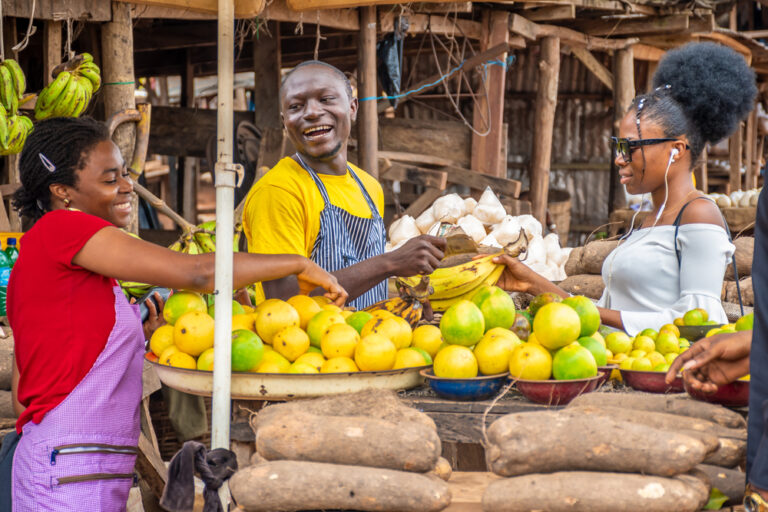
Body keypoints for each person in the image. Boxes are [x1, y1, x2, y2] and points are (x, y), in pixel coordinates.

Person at [3, 116, 346, 511]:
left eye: (125, 175)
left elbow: (26, 398)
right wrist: (297, 264)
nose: (128, 187)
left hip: (75, 470)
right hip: (66, 476)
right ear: (62, 191)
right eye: (110, 179)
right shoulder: (61, 228)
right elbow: (197, 272)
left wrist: (140, 334)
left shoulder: (58, 263)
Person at [493, 42, 756, 335]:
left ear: (676, 150)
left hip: (661, 374)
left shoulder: (699, 215)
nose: (619, 158)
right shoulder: (647, 220)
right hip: (621, 369)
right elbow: (609, 312)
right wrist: (533, 283)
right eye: (617, 146)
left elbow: (700, 323)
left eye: (630, 147)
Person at [242, 60, 445, 310]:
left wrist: (406, 305)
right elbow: (283, 301)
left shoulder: (369, 187)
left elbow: (368, 284)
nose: (312, 112)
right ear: (285, 122)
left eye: (326, 99)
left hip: (370, 341)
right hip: (304, 346)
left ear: (352, 107)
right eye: (296, 106)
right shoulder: (278, 192)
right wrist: (389, 263)